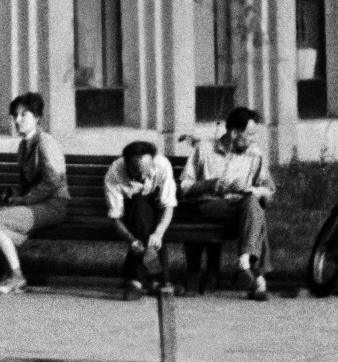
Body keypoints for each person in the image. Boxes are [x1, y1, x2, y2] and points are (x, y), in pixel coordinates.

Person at [181, 107, 276, 302]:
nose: (253, 139)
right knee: (256, 214)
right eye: (249, 134)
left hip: (241, 208)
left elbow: (269, 190)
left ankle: (246, 265)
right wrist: (211, 184)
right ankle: (255, 274)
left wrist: (251, 190)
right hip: (210, 206)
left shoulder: (255, 154)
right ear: (234, 133)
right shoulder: (205, 149)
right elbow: (184, 186)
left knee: (252, 203)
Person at [0, 93, 69, 295]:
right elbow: (28, 182)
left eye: (23, 115)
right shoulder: (23, 145)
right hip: (36, 205)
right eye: (15, 116)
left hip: (53, 205)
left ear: (37, 117)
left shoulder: (46, 143)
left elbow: (53, 182)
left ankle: (17, 276)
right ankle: (10, 273)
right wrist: (14, 194)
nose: (17, 120)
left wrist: (23, 200)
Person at [106, 140, 178, 301]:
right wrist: (131, 241)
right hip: (130, 214)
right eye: (137, 172)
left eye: (147, 171)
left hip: (157, 209)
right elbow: (115, 216)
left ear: (153, 161)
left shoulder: (162, 165)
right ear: (126, 164)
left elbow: (168, 206)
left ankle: (136, 279)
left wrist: (158, 233)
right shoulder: (115, 173)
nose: (143, 176)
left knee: (147, 219)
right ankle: (158, 279)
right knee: (138, 206)